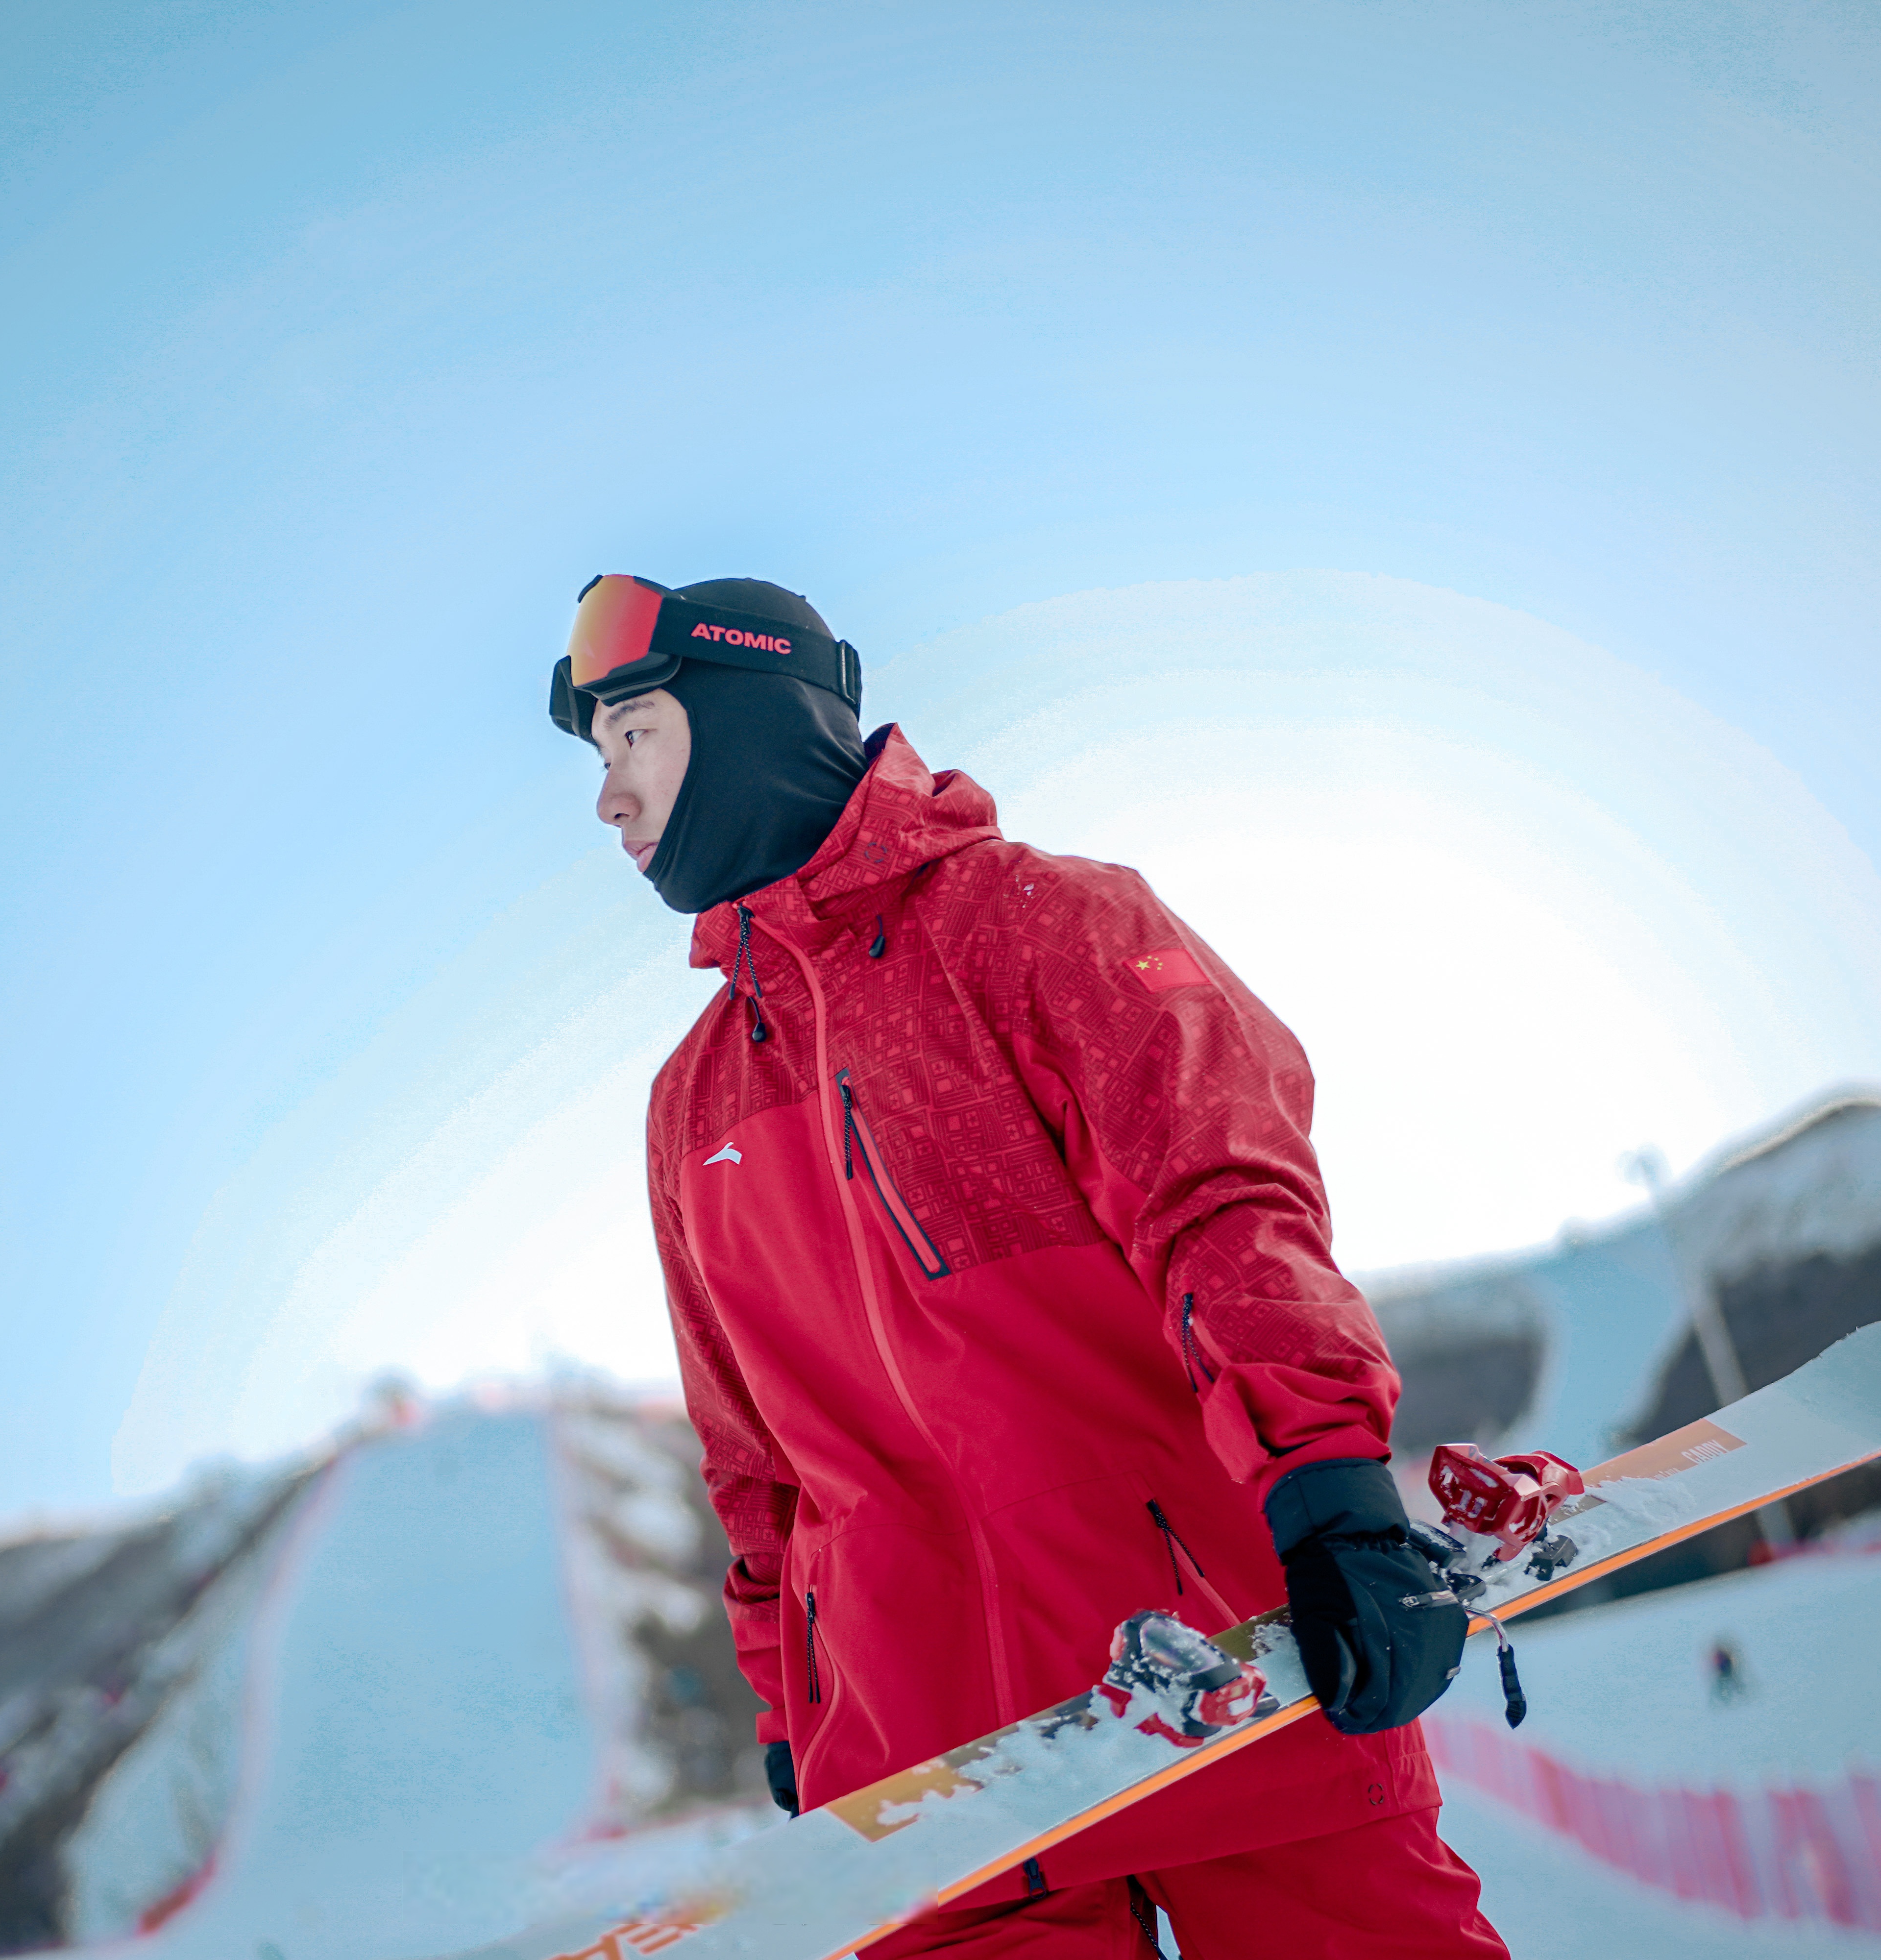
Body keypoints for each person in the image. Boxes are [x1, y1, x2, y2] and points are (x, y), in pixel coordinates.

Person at [551, 573, 1507, 1958]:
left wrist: (1329, 1492)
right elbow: (750, 1457)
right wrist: (789, 1703)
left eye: (634, 735)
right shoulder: (691, 1102)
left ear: (758, 714)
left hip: (1214, 1671)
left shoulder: (1036, 924)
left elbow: (1226, 1202)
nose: (609, 800)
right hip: (924, 1775)